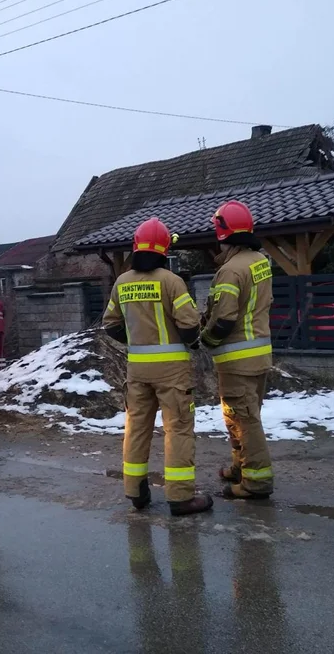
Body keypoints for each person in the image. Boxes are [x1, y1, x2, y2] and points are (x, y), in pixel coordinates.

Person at [103, 217, 213, 516]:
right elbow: (190, 325)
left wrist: (137, 341)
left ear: (135, 246)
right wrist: (192, 344)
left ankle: (135, 491)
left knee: (137, 428)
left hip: (137, 369)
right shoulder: (171, 281)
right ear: (165, 249)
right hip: (172, 371)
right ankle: (180, 497)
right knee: (177, 428)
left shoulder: (122, 282)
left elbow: (110, 325)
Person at [200, 200, 275, 499]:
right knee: (240, 415)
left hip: (236, 360)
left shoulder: (230, 271)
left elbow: (224, 319)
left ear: (221, 232)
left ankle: (256, 482)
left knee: (246, 420)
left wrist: (204, 340)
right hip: (259, 356)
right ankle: (240, 467)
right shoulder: (260, 261)